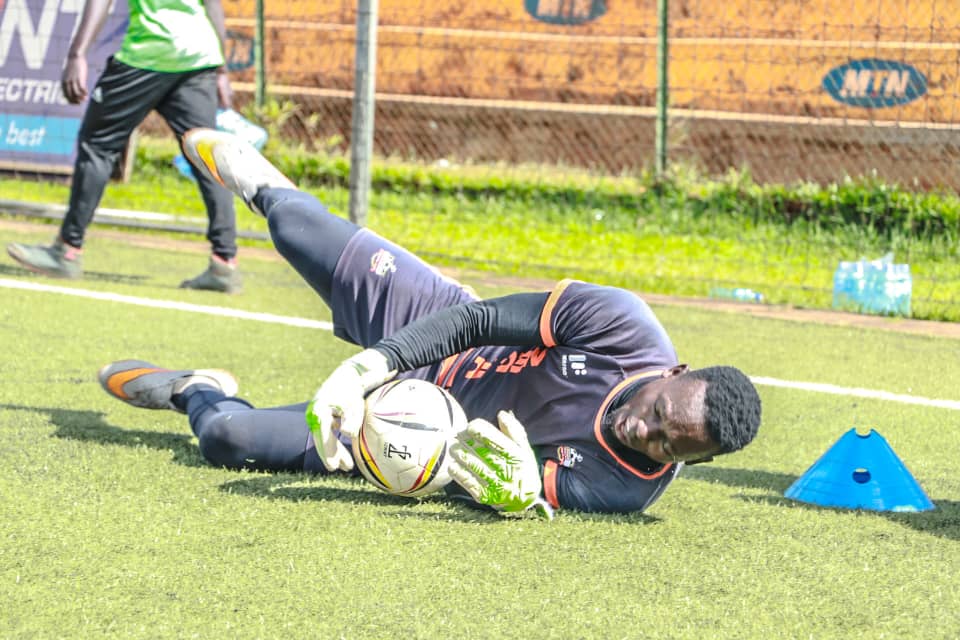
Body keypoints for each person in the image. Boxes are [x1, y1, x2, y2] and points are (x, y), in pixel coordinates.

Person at [96, 128, 763, 517]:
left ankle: (195, 386)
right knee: (294, 228)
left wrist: (508, 495)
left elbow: (470, 480)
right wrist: (366, 366)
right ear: (673, 373)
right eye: (658, 412)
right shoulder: (624, 324)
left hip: (418, 427)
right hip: (438, 321)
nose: (643, 431)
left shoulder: (623, 487)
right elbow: (476, 320)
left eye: (667, 447)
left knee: (225, 437)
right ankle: (263, 179)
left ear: (688, 463)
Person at [6, 0, 241, 293]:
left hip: (149, 55)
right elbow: (212, 4)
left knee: (97, 145)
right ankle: (225, 262)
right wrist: (221, 70)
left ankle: (67, 250)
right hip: (198, 56)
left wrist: (77, 54)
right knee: (206, 158)